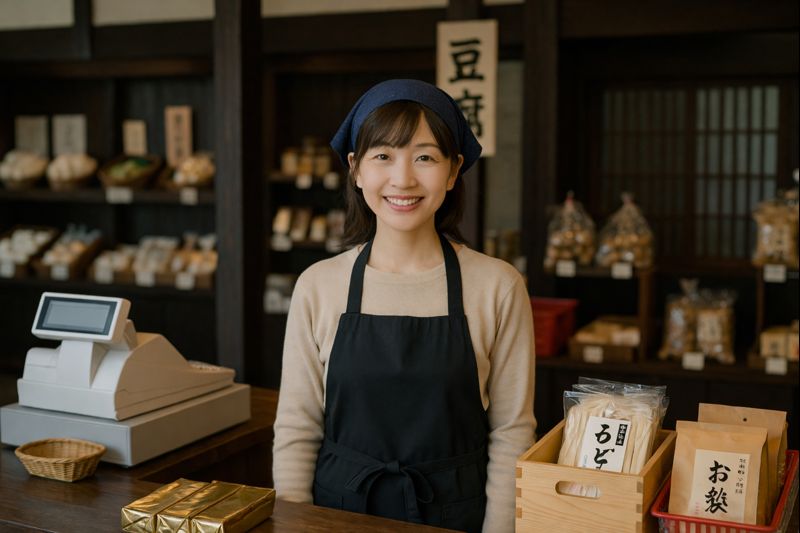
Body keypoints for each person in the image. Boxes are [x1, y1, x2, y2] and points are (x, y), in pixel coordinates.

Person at [272, 79, 536, 533]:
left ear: (453, 171)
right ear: (355, 169)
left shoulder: (498, 286)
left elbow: (511, 432)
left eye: (425, 157)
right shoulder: (318, 285)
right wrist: (295, 523)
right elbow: (298, 427)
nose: (403, 179)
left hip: (455, 515)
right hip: (337, 515)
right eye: (382, 156)